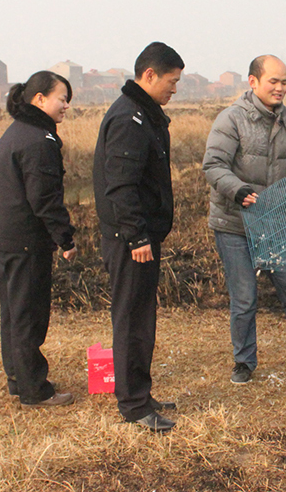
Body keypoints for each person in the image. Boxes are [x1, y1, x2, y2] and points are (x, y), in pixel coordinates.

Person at [203, 54, 286, 385]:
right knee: (245, 296)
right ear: (253, 82)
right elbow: (213, 165)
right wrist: (238, 190)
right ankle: (244, 361)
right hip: (234, 223)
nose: (280, 88)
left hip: (276, 224)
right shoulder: (231, 119)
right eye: (273, 82)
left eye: (284, 82)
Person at [93, 42, 183, 432]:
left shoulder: (145, 115)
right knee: (132, 320)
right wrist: (136, 237)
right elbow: (120, 186)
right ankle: (133, 405)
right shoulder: (129, 119)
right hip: (132, 240)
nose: (174, 89)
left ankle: (141, 393)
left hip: (142, 235)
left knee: (143, 318)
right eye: (171, 81)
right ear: (149, 75)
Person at [0, 70, 77, 407]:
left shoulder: (15, 133)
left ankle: (18, 378)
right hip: (25, 240)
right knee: (29, 315)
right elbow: (45, 199)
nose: (65, 106)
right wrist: (65, 238)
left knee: (13, 312)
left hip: (5, 237)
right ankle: (34, 390)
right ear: (39, 99)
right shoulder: (39, 140)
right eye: (62, 99)